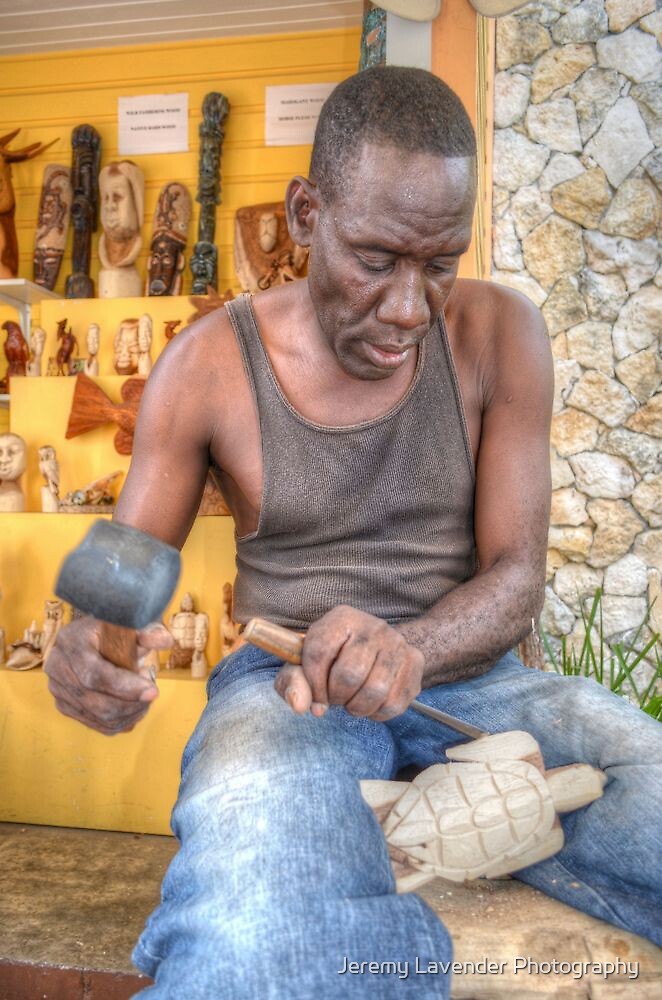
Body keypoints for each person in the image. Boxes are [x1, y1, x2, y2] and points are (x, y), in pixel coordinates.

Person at [46, 67, 661, 997]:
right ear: (305, 214)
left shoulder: (500, 335)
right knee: (256, 928)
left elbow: (514, 575)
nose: (411, 309)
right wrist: (84, 640)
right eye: (376, 259)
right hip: (287, 690)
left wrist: (407, 648)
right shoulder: (208, 363)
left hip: (479, 686)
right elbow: (126, 569)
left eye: (440, 262)